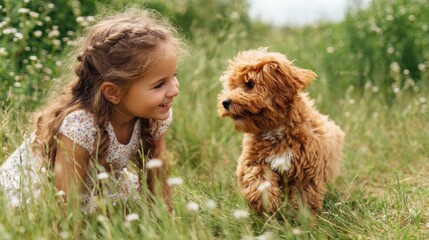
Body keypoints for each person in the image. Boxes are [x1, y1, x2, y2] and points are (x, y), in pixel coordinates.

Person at [0, 8, 183, 212]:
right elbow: (65, 202)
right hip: (45, 188)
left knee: (124, 201)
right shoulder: (81, 126)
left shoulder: (155, 115)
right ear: (113, 92)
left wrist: (166, 220)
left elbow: (158, 175)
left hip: (95, 182)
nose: (174, 90)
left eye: (174, 76)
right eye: (159, 84)